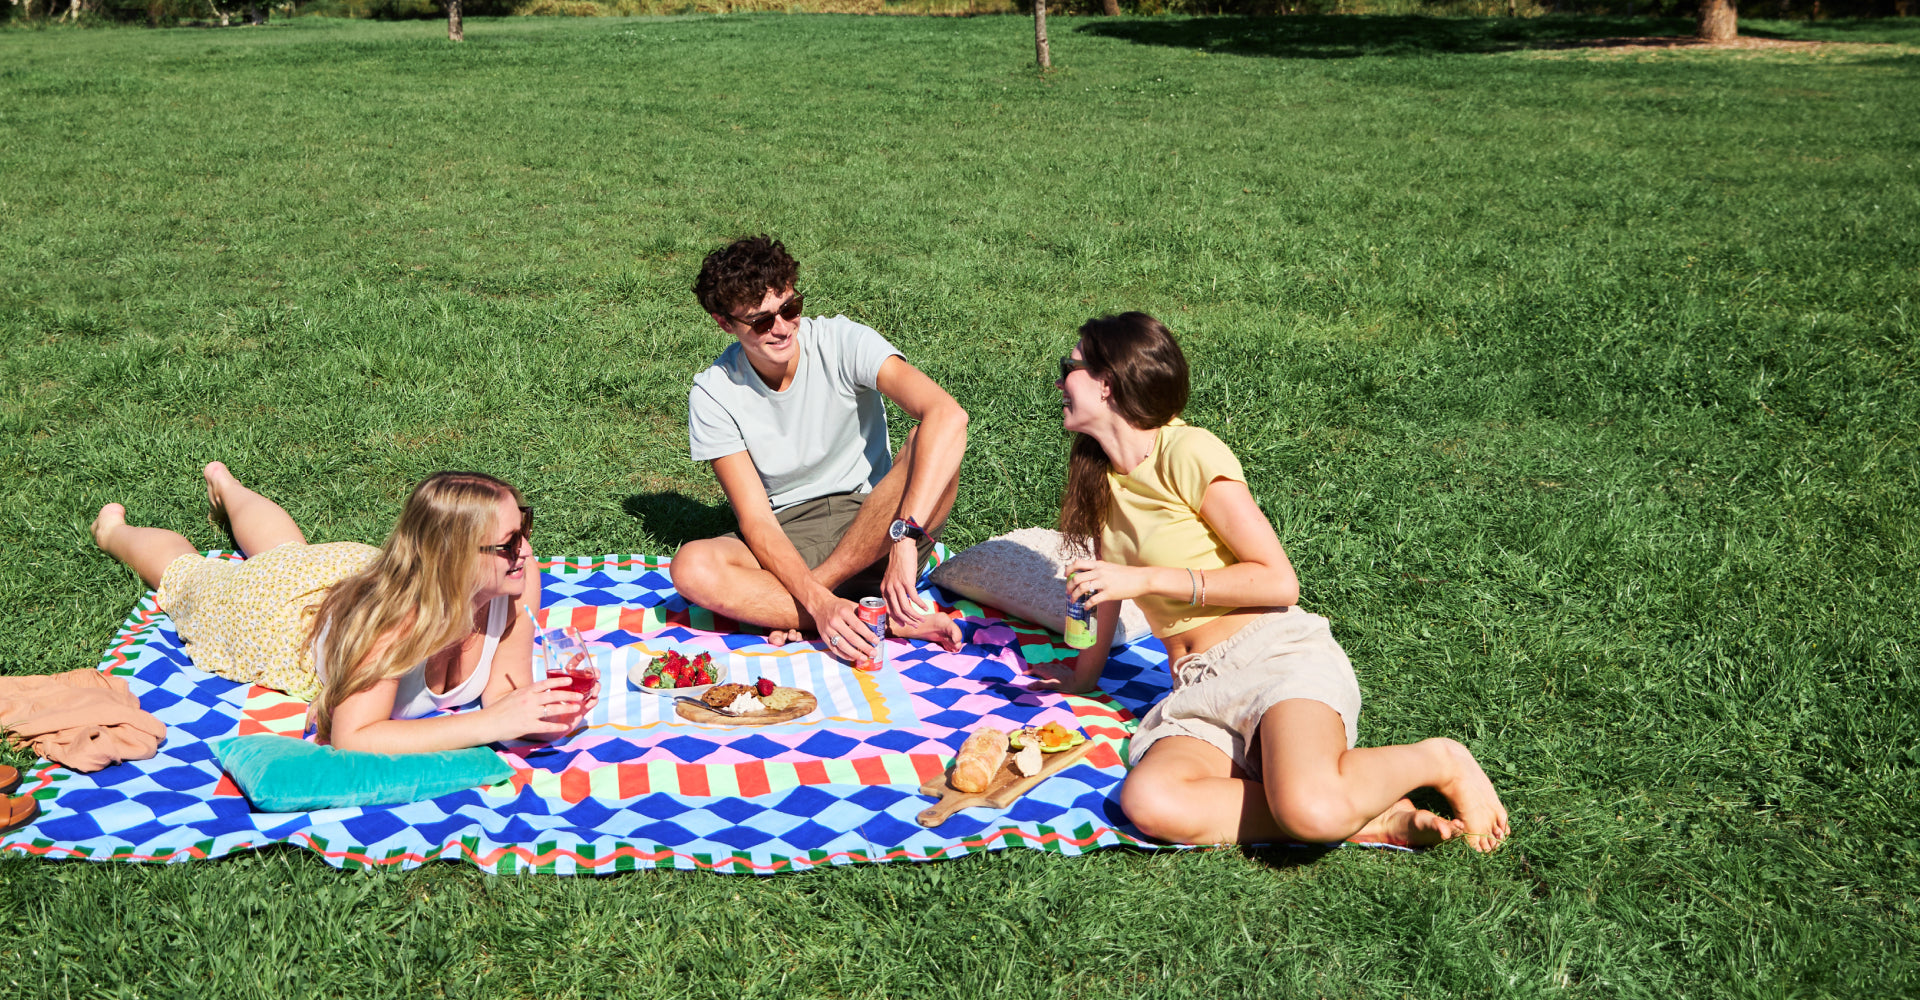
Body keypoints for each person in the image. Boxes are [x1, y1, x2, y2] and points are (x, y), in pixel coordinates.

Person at [1030, 313, 1510, 851]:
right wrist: (1082, 674)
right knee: (1150, 803)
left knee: (1309, 808)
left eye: (1068, 366)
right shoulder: (1097, 474)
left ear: (1107, 382)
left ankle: (1438, 759)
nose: (1059, 381)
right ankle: (1365, 818)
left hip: (1271, 657)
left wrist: (1145, 577)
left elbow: (1279, 582)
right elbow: (1106, 588)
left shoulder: (1186, 452)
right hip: (1196, 686)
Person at [89, 464, 595, 753]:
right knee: (191, 574)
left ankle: (229, 487)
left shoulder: (514, 582)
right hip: (280, 617)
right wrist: (490, 727)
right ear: (452, 557)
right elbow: (354, 736)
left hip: (352, 573)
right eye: (508, 543)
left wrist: (540, 714)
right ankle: (113, 532)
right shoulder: (399, 623)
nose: (527, 552)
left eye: (524, 529)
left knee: (289, 552)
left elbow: (507, 691)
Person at [668, 235, 969, 663]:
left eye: (789, 308)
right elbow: (756, 522)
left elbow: (949, 414)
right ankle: (874, 616)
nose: (782, 327)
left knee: (934, 441)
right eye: (760, 321)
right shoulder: (714, 392)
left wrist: (906, 537)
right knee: (690, 567)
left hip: (880, 521)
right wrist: (819, 600)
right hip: (791, 533)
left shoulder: (842, 340)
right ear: (724, 323)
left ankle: (814, 608)